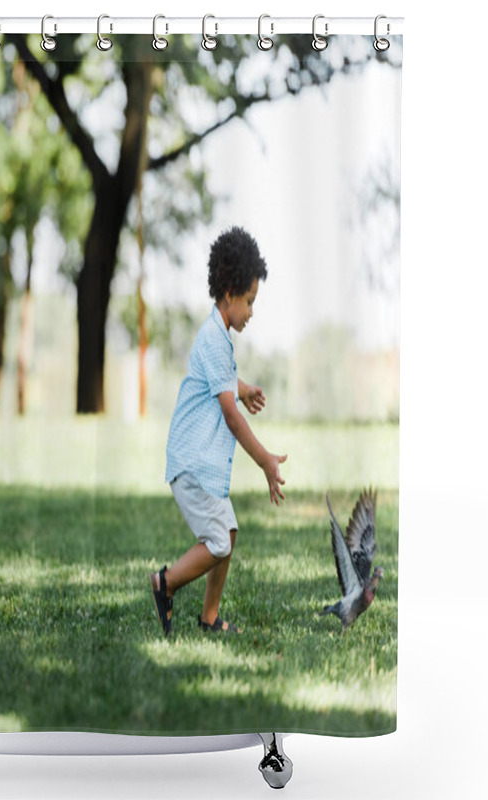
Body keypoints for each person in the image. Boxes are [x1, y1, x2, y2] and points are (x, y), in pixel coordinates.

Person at [150, 226, 287, 637]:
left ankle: (209, 619)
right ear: (229, 293)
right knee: (218, 542)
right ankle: (166, 583)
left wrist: (243, 389)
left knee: (227, 532)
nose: (251, 311)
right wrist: (264, 459)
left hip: (200, 463)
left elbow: (224, 383)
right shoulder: (213, 338)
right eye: (249, 301)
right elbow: (229, 416)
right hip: (192, 463)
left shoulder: (219, 339)